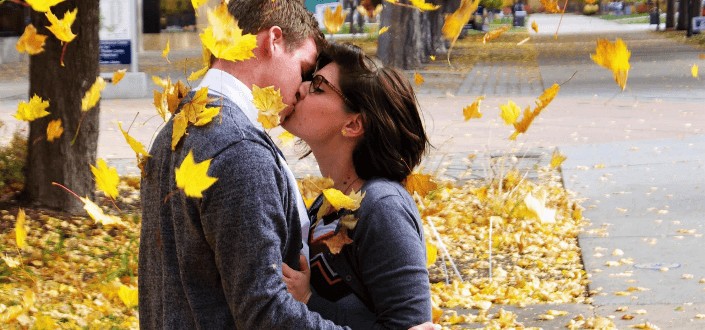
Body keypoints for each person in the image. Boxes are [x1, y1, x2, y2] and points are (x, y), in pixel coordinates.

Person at [138, 1, 344, 328]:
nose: (302, 88)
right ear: (273, 41)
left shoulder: (173, 133)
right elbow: (265, 313)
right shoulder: (240, 149)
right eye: (304, 69)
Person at [280, 42, 433, 329]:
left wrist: (310, 302)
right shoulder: (326, 205)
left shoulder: (383, 208)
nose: (300, 89)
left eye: (317, 87)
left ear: (353, 125)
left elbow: (408, 325)